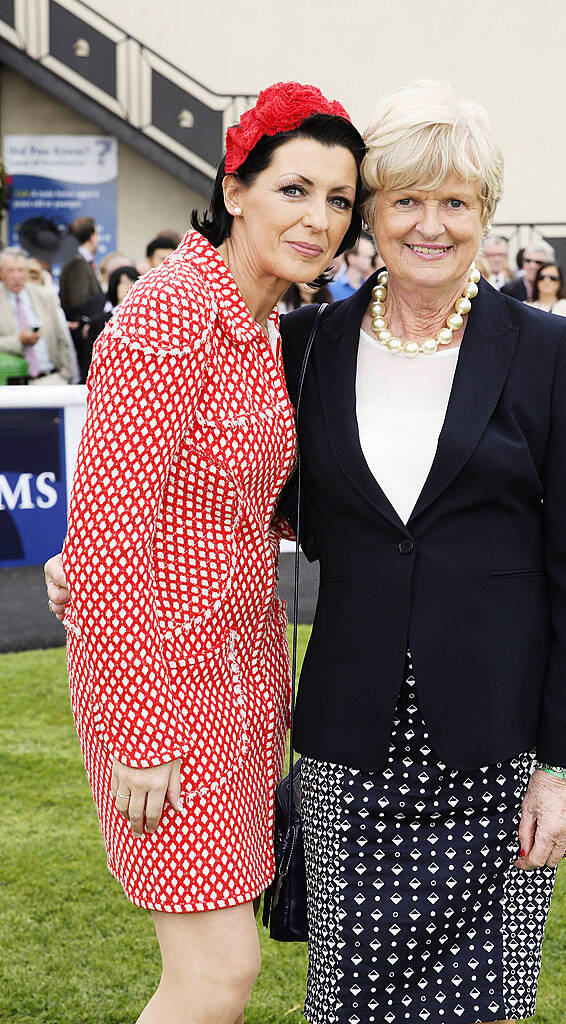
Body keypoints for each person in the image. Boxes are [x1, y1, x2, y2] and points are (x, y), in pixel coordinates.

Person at [275, 79, 566, 1024]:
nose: (431, 225)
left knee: (487, 1001)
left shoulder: (545, 350)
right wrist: (104, 546)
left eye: (455, 202)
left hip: (500, 743)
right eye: (406, 200)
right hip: (350, 738)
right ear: (370, 213)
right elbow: (231, 493)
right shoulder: (303, 345)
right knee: (346, 1001)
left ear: (486, 214)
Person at [42, 81, 366, 1024]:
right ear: (234, 188)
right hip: (163, 698)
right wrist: (140, 734)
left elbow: (243, 501)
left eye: (339, 201)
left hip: (242, 679)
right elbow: (104, 543)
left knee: (222, 967)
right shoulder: (167, 315)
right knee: (215, 972)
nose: (318, 221)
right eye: (293, 190)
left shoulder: (263, 323)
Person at [0, 247, 74, 384]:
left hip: (51, 378)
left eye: (21, 270)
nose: (16, 276)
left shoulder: (45, 295)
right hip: (13, 383)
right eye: (10, 271)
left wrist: (66, 374)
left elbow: (61, 338)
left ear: (27, 272)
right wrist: (19, 341)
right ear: (1, 273)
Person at [58, 216, 102, 319]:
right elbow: (79, 301)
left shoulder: (82, 260)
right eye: (97, 234)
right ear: (91, 237)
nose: (98, 239)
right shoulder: (77, 262)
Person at [328, 230, 375, 299]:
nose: (373, 261)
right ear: (352, 258)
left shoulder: (371, 288)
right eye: (369, 257)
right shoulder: (331, 289)